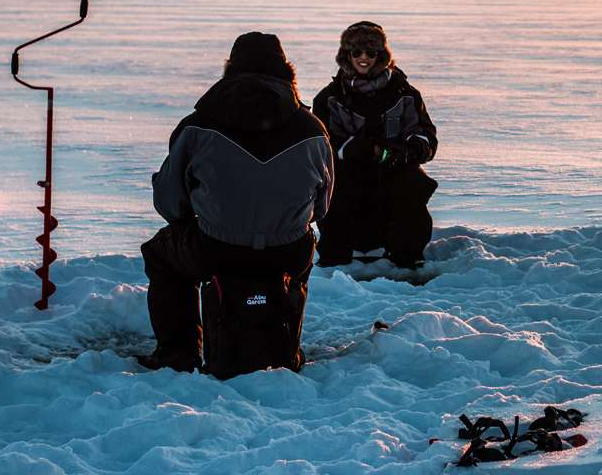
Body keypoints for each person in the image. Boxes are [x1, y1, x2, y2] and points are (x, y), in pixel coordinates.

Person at [138, 32, 333, 372]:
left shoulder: (197, 126)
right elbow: (322, 206)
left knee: (161, 254)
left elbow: (169, 201)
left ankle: (177, 354)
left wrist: (196, 216)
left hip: (216, 247)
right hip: (287, 250)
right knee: (303, 253)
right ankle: (288, 342)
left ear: (229, 69)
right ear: (287, 70)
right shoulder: (313, 129)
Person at [312, 21, 437, 269]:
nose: (364, 58)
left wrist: (407, 151)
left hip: (394, 167)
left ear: (382, 55)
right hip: (347, 170)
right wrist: (359, 148)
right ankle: (335, 260)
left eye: (371, 52)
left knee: (414, 185)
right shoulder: (329, 97)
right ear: (346, 56)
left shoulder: (405, 93)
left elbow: (425, 136)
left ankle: (407, 257)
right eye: (356, 52)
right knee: (331, 189)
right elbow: (322, 143)